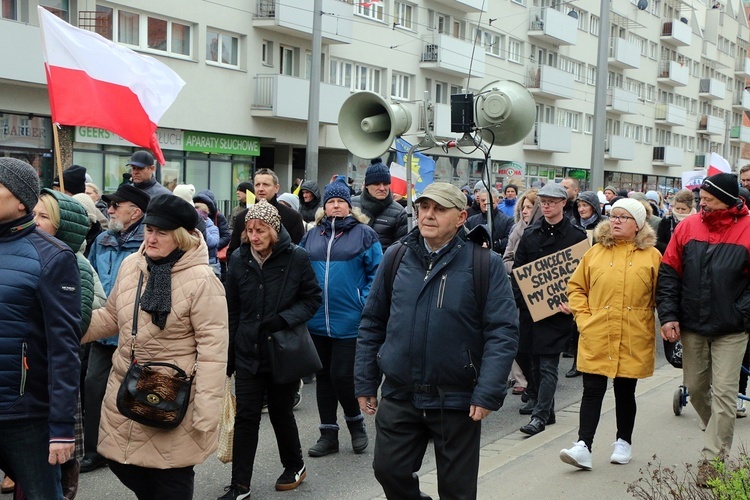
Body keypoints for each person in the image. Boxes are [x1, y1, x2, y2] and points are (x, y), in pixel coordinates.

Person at [355, 182, 519, 499]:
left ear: (460, 218)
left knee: (457, 491)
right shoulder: (396, 257)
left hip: (457, 399)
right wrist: (365, 381)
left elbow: (502, 331)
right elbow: (373, 321)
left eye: (439, 209)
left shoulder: (485, 264)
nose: (428, 215)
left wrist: (487, 392)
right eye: (424, 207)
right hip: (401, 392)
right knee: (389, 470)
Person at [82, 194, 228, 499]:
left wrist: (206, 410)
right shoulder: (132, 266)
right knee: (118, 460)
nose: (151, 238)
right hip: (127, 385)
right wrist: (67, 330)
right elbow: (111, 316)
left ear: (180, 237)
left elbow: (214, 351)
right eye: (149, 230)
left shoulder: (203, 280)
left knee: (171, 477)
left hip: (173, 395)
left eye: (161, 233)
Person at [220, 199, 322, 500]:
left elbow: (312, 299)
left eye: (261, 230)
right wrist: (229, 353)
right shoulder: (238, 259)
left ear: (274, 230)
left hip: (282, 349)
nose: (254, 236)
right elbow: (232, 307)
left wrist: (283, 319)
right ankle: (240, 485)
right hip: (248, 348)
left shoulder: (297, 258)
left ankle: (295, 465)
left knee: (280, 412)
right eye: (250, 230)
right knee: (247, 416)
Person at [657, 173, 750, 486]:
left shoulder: (749, 228)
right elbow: (669, 273)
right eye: (701, 199)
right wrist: (668, 316)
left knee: (725, 394)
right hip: (693, 324)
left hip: (732, 328)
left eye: (708, 198)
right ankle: (718, 433)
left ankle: (712, 462)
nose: (702, 203)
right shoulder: (688, 226)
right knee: (696, 390)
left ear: (726, 198)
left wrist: (742, 310)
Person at [0, 157, 82, 499]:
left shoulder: (52, 256)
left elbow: (64, 348)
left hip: (24, 413)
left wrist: (62, 428)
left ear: (21, 201)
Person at [561, 198, 661, 470]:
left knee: (625, 390)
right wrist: (583, 318)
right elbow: (576, 288)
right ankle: (583, 445)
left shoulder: (652, 256)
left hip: (633, 332)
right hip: (598, 330)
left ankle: (623, 441)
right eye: (613, 216)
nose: (615, 220)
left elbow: (662, 295)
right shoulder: (594, 253)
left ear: (638, 224)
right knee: (592, 390)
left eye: (623, 217)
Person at [33, 189, 108, 499]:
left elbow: (83, 317)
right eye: (32, 214)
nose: (34, 222)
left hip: (54, 368)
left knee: (53, 460)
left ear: (62, 225)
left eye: (43, 217)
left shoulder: (74, 263)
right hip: (28, 370)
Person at [300, 178, 382, 458]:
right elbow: (299, 270)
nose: (336, 206)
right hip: (316, 322)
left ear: (350, 206)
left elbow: (377, 275)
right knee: (324, 376)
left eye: (341, 202)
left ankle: (356, 425)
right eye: (331, 202)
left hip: (349, 320)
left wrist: (364, 302)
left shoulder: (364, 234)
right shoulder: (312, 235)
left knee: (342, 376)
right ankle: (328, 434)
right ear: (324, 207)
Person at [80, 184, 150, 474]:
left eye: (115, 205)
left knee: (136, 393)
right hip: (104, 330)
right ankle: (95, 450)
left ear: (135, 212)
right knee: (93, 388)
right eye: (108, 205)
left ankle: (135, 447)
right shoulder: (103, 240)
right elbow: (94, 281)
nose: (108, 210)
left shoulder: (148, 243)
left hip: (135, 334)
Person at [512, 182, 587, 436]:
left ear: (563, 204)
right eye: (543, 201)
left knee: (547, 365)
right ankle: (548, 410)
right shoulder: (531, 234)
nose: (546, 206)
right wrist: (524, 303)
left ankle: (540, 416)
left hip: (559, 313)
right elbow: (518, 273)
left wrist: (574, 305)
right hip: (531, 312)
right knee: (533, 362)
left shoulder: (576, 236)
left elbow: (584, 276)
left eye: (552, 202)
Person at [228, 169, 305, 258]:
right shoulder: (242, 217)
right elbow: (233, 253)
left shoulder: (292, 217)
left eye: (266, 185)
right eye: (257, 185)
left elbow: (299, 254)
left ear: (276, 188)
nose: (261, 189)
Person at [351, 159, 408, 251]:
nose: (382, 188)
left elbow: (401, 251)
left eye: (385, 184)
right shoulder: (351, 205)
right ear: (366, 185)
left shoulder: (399, 213)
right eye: (377, 184)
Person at [465, 187, 513, 254]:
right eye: (482, 200)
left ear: (497, 201)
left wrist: (493, 244)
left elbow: (509, 241)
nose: (485, 203)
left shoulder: (507, 221)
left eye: (488, 200)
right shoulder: (471, 221)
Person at [655, 189, 695, 254]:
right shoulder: (667, 221)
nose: (680, 212)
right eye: (677, 208)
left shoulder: (695, 222)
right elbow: (658, 242)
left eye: (683, 209)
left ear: (690, 208)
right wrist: (672, 249)